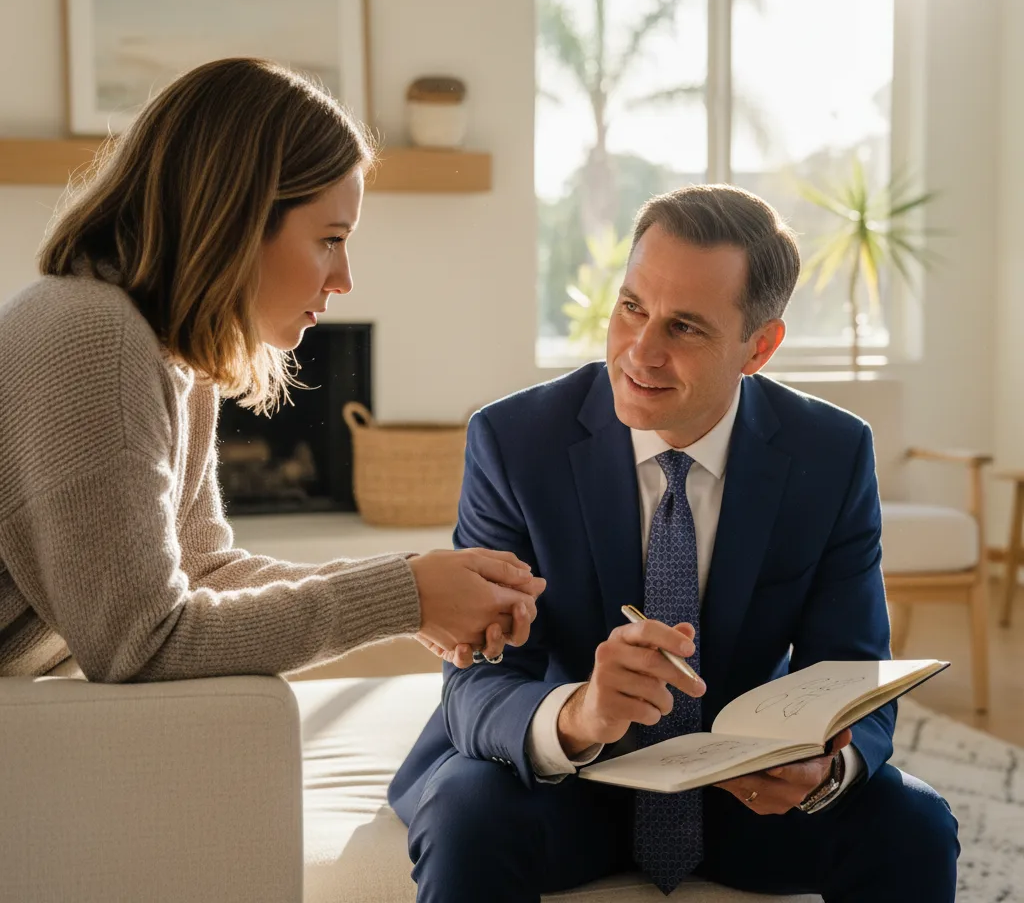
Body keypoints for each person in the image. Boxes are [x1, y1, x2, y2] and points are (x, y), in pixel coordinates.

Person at [389, 185, 959, 902]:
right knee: (465, 809)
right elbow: (476, 685)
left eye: (685, 327)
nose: (641, 352)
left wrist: (825, 766)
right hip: (564, 785)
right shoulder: (514, 441)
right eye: (632, 307)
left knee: (916, 823)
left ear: (760, 346)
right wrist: (580, 713)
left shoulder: (832, 453)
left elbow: (852, 669)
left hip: (742, 796)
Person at [0, 57, 543, 682]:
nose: (344, 280)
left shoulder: (168, 350)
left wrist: (413, 586)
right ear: (240, 220)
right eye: (330, 240)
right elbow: (144, 646)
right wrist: (406, 593)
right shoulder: (92, 336)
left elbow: (205, 572)